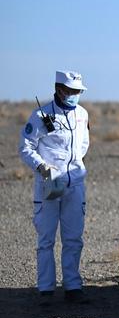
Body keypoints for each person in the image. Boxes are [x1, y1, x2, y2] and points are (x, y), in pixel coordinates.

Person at [19, 70, 90, 305]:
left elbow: (83, 145)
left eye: (78, 92)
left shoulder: (82, 114)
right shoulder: (41, 115)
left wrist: (74, 168)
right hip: (49, 185)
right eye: (72, 91)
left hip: (75, 185)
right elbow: (26, 147)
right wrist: (43, 168)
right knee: (46, 239)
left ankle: (73, 287)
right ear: (59, 89)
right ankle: (46, 289)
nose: (75, 95)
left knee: (73, 238)